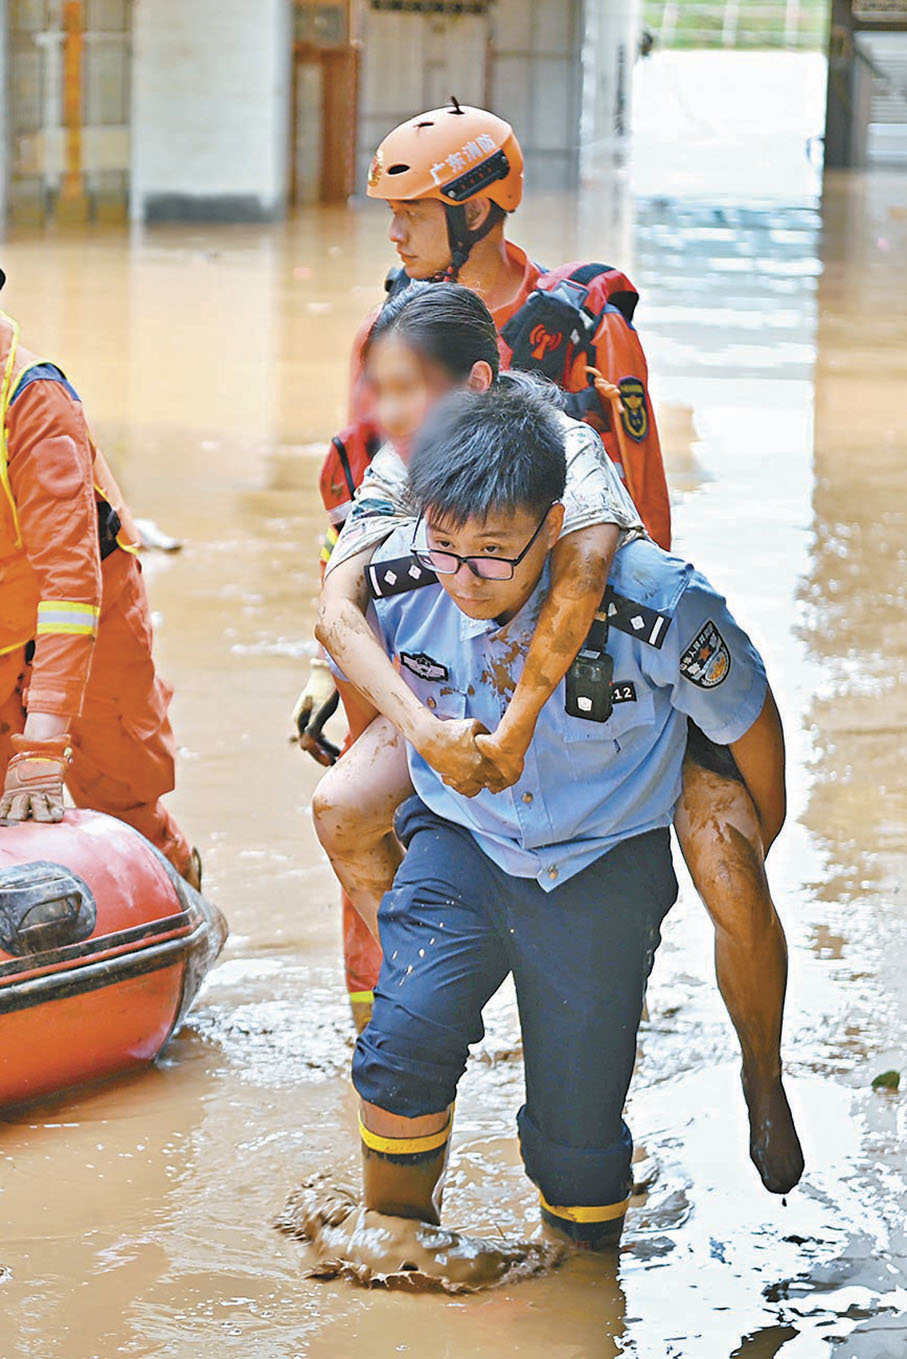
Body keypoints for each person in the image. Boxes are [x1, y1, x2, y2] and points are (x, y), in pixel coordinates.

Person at [314, 285, 804, 1196]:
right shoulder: (406, 511)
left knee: (581, 1137)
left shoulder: (640, 577)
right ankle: (399, 1196)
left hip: (604, 834)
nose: (464, 576)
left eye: (493, 552)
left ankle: (760, 1071)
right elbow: (338, 610)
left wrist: (750, 835)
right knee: (402, 1038)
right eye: (447, 549)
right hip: (465, 823)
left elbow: (749, 716)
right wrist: (419, 727)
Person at [295, 102, 670, 1015]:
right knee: (356, 818)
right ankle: (399, 1038)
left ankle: (583, 1049)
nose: (393, 233)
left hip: (561, 653)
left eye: (411, 212)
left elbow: (642, 513)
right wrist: (324, 658)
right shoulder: (391, 328)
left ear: (476, 209)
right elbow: (359, 505)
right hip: (421, 648)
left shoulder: (583, 330)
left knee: (602, 878)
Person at [0, 287, 199, 885]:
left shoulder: (33, 401)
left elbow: (70, 585)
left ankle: (178, 893)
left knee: (121, 803)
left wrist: (42, 745)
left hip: (88, 611)